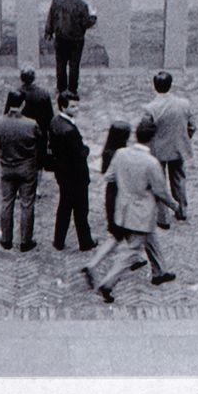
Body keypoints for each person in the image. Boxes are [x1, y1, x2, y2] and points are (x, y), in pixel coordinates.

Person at [87, 119, 182, 302]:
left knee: (150, 237)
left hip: (123, 208)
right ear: (152, 139)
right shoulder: (151, 163)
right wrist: (175, 205)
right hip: (141, 213)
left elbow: (110, 176)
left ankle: (159, 271)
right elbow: (161, 191)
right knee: (132, 250)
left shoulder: (121, 154)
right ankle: (107, 283)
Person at [83, 120, 136, 280]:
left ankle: (137, 256)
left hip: (112, 195)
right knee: (119, 234)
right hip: (122, 196)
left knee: (122, 232)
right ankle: (94, 265)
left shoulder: (108, 151)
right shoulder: (121, 155)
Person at [141, 71, 195, 226]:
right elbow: (192, 126)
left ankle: (162, 218)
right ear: (171, 85)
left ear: (154, 86)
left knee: (159, 183)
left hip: (158, 150)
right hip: (178, 148)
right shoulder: (184, 104)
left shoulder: (151, 108)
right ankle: (182, 210)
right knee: (179, 179)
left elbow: (145, 131)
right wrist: (184, 139)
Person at [0, 92, 43, 252]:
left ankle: (6, 239)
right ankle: (25, 241)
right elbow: (39, 140)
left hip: (7, 167)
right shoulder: (30, 124)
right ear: (22, 105)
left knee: (6, 202)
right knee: (27, 204)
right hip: (26, 168)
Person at [49, 92, 96, 252]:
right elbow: (81, 152)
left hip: (62, 173)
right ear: (63, 106)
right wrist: (87, 148)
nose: (77, 109)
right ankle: (85, 241)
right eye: (73, 106)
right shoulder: (70, 130)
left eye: (77, 105)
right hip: (76, 176)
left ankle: (59, 240)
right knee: (81, 210)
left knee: (64, 207)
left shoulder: (55, 121)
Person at [44, 0, 96, 98]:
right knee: (74, 65)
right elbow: (86, 23)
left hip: (61, 37)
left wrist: (49, 32)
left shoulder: (56, 1)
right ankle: (72, 89)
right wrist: (93, 16)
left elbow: (51, 18)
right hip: (76, 40)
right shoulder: (82, 5)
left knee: (60, 64)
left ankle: (61, 88)